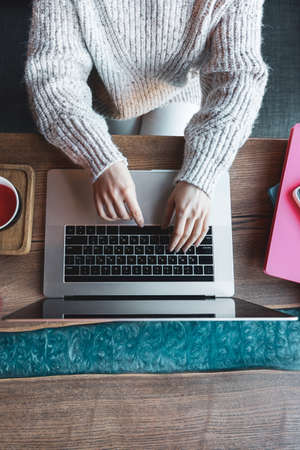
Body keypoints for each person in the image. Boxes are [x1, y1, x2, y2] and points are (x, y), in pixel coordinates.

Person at [24, 0, 268, 254]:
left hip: (181, 88)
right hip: (105, 89)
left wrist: (201, 176)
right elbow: (52, 76)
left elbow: (241, 77)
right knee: (113, 207)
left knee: (160, 208)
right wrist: (99, 157)